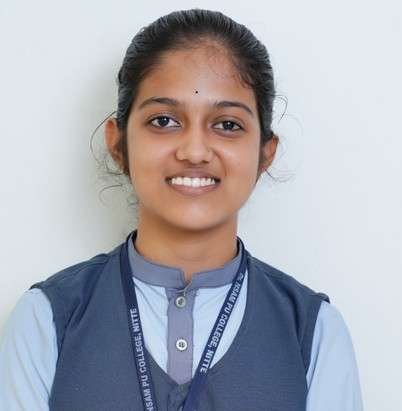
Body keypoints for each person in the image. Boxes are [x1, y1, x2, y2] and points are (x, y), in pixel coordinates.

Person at [0, 8, 364, 411]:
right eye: (163, 121)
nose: (194, 151)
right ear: (118, 143)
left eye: (227, 125)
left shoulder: (313, 333)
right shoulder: (47, 321)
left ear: (265, 152)